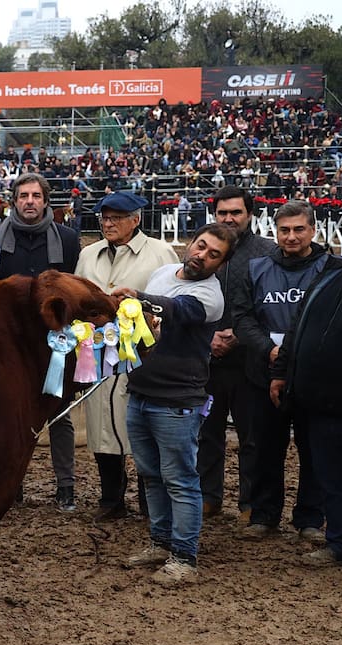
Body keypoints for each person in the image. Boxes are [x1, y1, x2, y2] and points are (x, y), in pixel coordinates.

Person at [118, 223, 236, 585]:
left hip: (177, 400)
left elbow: (177, 310)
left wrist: (136, 295)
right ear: (190, 243)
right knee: (152, 476)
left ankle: (185, 556)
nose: (202, 255)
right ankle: (161, 541)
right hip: (141, 390)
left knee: (181, 479)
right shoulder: (164, 272)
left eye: (214, 254)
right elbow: (151, 321)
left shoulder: (209, 296)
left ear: (221, 264)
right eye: (201, 246)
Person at [230, 199, 336, 542]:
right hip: (263, 371)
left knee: (314, 448)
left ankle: (309, 518)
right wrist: (270, 349)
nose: (291, 237)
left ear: (313, 230)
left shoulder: (332, 268)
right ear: (275, 232)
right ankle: (264, 514)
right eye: (284, 230)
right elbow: (243, 319)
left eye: (298, 230)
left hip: (315, 374)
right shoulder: (256, 267)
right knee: (265, 446)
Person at [76, 191, 178, 521]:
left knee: (145, 428)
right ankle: (111, 497)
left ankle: (151, 500)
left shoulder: (161, 253)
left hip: (144, 355)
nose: (108, 223)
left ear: (136, 220)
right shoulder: (88, 254)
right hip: (98, 356)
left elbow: (172, 299)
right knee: (103, 425)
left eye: (116, 218)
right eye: (104, 218)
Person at [272, 220, 342, 566]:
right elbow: (297, 327)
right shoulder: (330, 277)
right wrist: (281, 374)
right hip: (321, 404)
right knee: (333, 477)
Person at [0, 173, 81, 510]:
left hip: (56, 342)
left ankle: (66, 486)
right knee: (11, 417)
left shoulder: (69, 240)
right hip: (11, 343)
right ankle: (12, 485)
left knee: (60, 415)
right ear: (14, 201)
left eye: (35, 196)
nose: (29, 201)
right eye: (23, 196)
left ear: (46, 201)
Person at [197, 186, 276, 522]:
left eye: (236, 212)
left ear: (249, 214)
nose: (228, 219)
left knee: (251, 436)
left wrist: (240, 336)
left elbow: (271, 306)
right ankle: (209, 497)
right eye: (222, 213)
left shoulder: (267, 252)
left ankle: (249, 502)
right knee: (207, 433)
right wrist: (207, 337)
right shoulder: (204, 249)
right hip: (209, 360)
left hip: (249, 361)